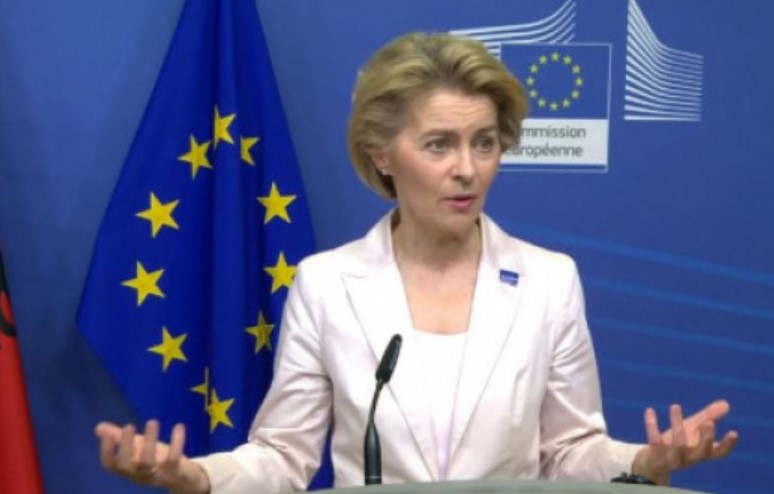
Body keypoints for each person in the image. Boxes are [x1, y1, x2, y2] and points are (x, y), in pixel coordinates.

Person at [95, 32, 738, 493]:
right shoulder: (326, 285)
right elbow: (283, 457)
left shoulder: (549, 280)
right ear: (382, 154)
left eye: (484, 143)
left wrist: (647, 462)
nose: (467, 169)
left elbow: (570, 452)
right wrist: (198, 477)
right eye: (439, 145)